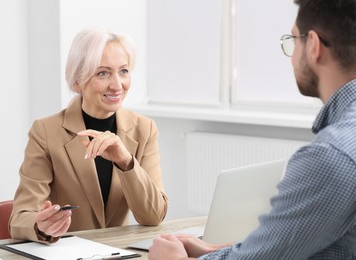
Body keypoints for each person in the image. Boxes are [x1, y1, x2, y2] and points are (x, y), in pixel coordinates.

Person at [149, 0, 356, 259]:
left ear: (313, 45)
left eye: (293, 41)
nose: (291, 58)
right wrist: (214, 250)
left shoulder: (331, 154)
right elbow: (288, 244)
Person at [9, 27, 168, 243]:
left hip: (120, 253)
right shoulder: (46, 132)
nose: (117, 85)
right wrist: (40, 225)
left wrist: (125, 161)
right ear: (77, 81)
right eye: (102, 73)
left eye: (123, 71)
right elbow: (19, 219)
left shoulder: (144, 129)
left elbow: (154, 216)